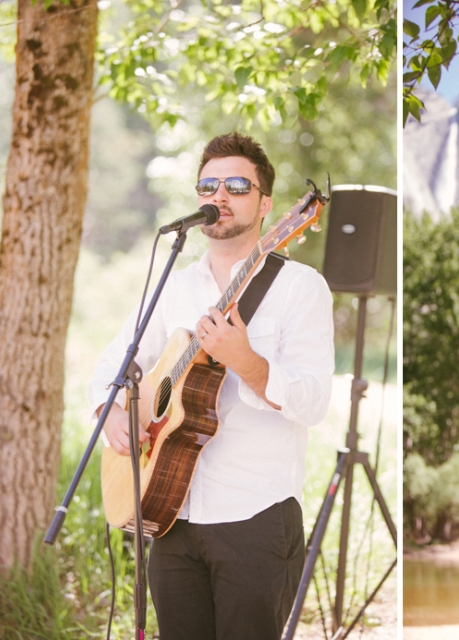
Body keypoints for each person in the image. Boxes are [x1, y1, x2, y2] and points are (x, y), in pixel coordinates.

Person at [90, 132, 335, 639]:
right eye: (208, 185)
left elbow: (312, 402)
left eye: (237, 185)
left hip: (255, 517)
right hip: (170, 515)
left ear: (266, 204)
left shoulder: (299, 288)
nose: (219, 195)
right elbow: (115, 363)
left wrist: (245, 361)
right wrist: (110, 411)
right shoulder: (175, 286)